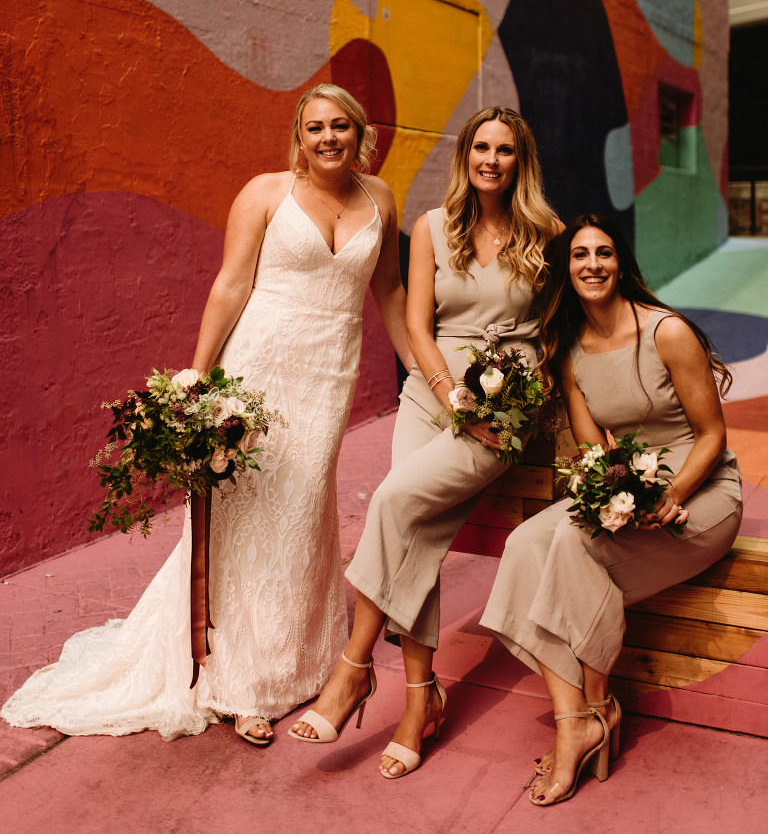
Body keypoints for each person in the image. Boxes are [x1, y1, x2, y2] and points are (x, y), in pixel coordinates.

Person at [1, 84, 410, 744]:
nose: (328, 137)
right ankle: (243, 684)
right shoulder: (265, 193)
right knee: (245, 514)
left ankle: (297, 663)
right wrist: (197, 380)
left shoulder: (382, 198)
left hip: (328, 375)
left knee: (304, 509)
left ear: (360, 134)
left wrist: (423, 373)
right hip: (259, 368)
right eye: (315, 127)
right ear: (299, 138)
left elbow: (389, 289)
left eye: (340, 125)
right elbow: (231, 284)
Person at [289, 106, 563, 778]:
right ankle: (420, 700)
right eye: (480, 147)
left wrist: (524, 403)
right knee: (415, 528)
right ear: (465, 156)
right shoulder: (435, 227)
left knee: (392, 503)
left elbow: (562, 334)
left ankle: (353, 670)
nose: (490, 160)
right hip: (432, 392)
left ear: (520, 161)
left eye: (504, 150)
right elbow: (416, 325)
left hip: (501, 407)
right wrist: (448, 395)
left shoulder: (549, 233)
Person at [480, 213, 743, 806]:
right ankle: (578, 716)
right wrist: (613, 498)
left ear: (621, 264)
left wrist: (672, 495)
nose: (592, 264)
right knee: (526, 543)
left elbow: (712, 435)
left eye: (604, 253)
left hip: (700, 494)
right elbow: (594, 453)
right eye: (580, 255)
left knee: (574, 547)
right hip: (627, 490)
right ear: (567, 270)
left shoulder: (667, 332)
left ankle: (589, 715)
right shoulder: (570, 350)